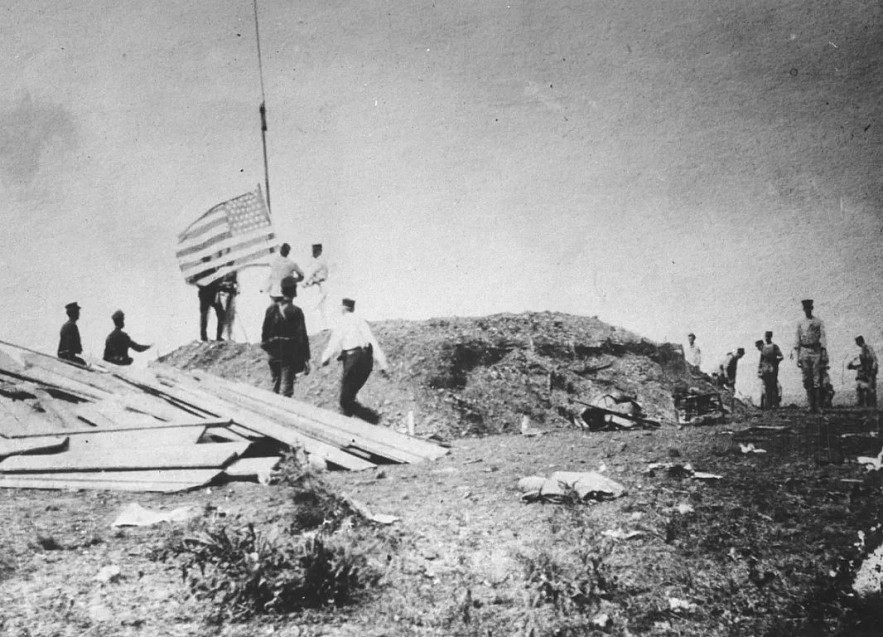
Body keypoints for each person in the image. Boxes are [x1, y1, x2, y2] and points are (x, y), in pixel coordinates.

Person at [320, 297, 389, 422]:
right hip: (366, 361)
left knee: (345, 400)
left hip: (352, 360)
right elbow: (372, 341)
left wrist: (325, 358)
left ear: (343, 308)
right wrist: (383, 364)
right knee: (349, 397)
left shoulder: (342, 321)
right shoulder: (360, 321)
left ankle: (372, 419)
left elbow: (334, 342)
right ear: (353, 308)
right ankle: (349, 425)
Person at [260, 276, 311, 397]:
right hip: (288, 353)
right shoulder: (296, 311)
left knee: (276, 384)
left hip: (273, 354)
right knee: (286, 390)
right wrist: (306, 358)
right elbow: (302, 336)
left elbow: (264, 333)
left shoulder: (271, 309)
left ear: (282, 291)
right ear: (294, 292)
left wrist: (269, 348)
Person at [791, 299, 827, 412]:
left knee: (817, 378)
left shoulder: (818, 322)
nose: (807, 310)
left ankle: (818, 405)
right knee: (807, 379)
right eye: (805, 309)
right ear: (803, 310)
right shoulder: (801, 323)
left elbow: (823, 338)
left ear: (812, 308)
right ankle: (810, 405)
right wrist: (798, 357)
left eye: (809, 308)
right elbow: (797, 340)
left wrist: (823, 353)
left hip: (815, 351)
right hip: (804, 351)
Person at [302, 243, 329, 327]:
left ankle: (318, 326)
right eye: (313, 251)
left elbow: (311, 273)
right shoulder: (320, 260)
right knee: (321, 307)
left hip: (322, 285)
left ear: (320, 251)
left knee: (315, 306)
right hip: (321, 285)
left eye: (315, 251)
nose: (313, 253)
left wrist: (305, 283)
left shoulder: (319, 262)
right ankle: (324, 326)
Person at [847, 335, 878, 407]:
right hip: (864, 373)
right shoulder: (862, 350)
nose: (856, 344)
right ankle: (865, 409)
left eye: (857, 342)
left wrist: (873, 370)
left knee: (870, 391)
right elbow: (861, 364)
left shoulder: (868, 349)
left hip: (869, 373)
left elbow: (874, 360)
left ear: (859, 341)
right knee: (862, 391)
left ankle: (872, 410)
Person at [758, 331, 784, 409]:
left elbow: (781, 356)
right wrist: (760, 369)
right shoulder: (763, 347)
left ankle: (775, 404)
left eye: (768, 337)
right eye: (766, 337)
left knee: (773, 385)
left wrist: (775, 362)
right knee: (767, 386)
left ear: (771, 337)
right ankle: (768, 404)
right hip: (765, 368)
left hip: (773, 368)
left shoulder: (774, 346)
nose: (767, 338)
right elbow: (761, 359)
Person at [57, 302, 86, 366]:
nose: (79, 314)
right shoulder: (71, 326)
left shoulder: (67, 325)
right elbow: (69, 345)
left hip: (66, 356)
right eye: (77, 312)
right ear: (74, 313)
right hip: (69, 358)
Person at [197, 278, 226, 342]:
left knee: (205, 315)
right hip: (209, 294)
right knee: (205, 315)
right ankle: (213, 337)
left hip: (209, 294)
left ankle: (207, 337)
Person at [217, 271, 239, 341]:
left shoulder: (233, 271)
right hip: (223, 294)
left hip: (231, 295)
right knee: (223, 316)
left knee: (231, 316)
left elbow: (236, 283)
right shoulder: (220, 270)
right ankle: (222, 335)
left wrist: (235, 288)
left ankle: (229, 335)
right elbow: (218, 283)